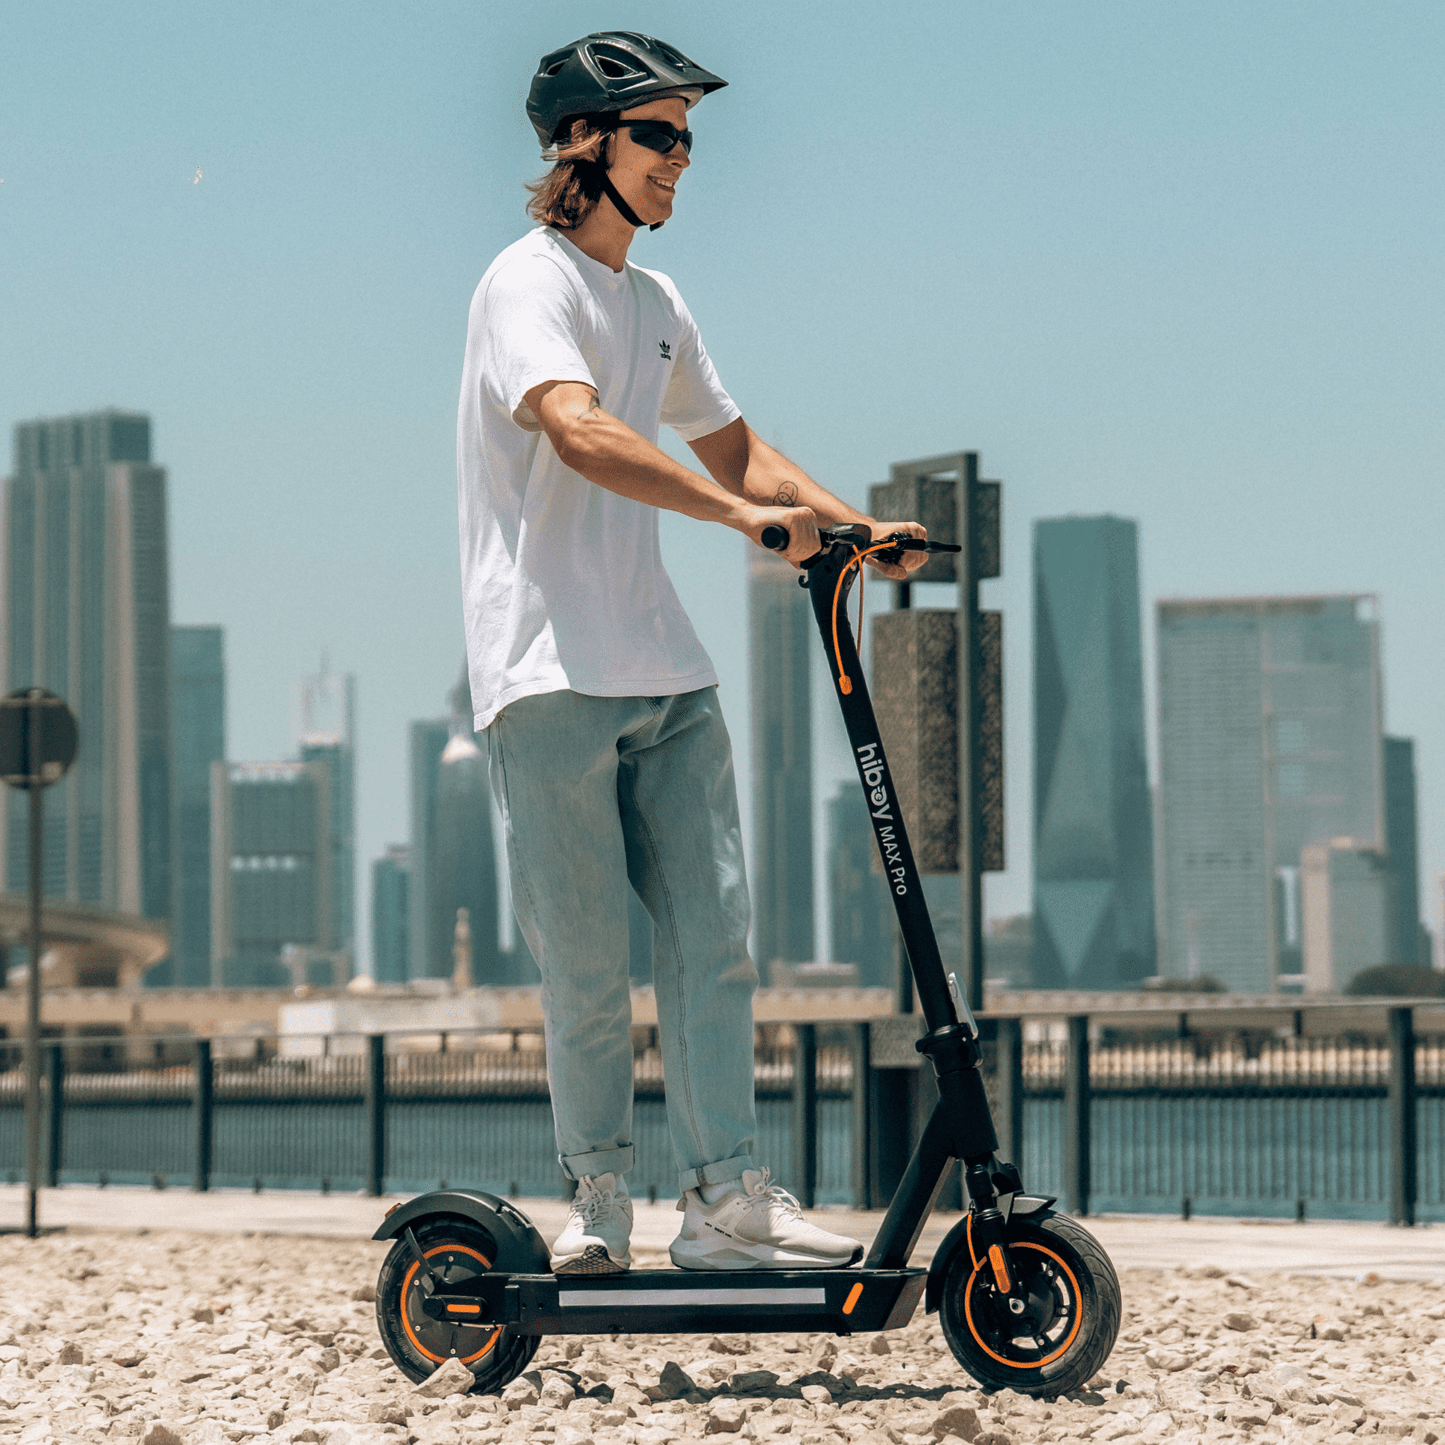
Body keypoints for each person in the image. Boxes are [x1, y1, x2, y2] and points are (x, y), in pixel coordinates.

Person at [457, 31, 928, 1275]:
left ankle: (725, 1198)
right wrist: (739, 522)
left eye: (685, 139)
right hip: (548, 669)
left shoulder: (658, 305)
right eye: (656, 135)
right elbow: (577, 428)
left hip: (664, 668)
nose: (680, 160)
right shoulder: (527, 282)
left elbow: (740, 456)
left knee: (714, 939)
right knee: (588, 960)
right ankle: (598, 1201)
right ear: (580, 143)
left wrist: (848, 525)